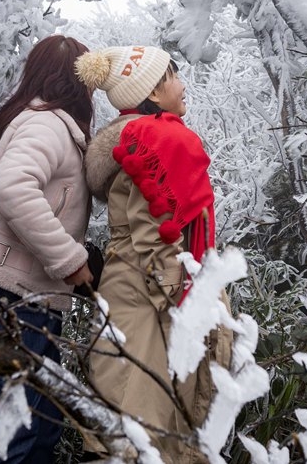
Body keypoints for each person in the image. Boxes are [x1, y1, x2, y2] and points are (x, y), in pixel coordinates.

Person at [75, 45, 232, 463]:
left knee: (125, 411)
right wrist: (182, 303)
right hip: (150, 300)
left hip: (129, 290)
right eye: (173, 77)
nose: (183, 86)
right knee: (142, 422)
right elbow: (155, 233)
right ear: (153, 93)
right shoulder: (154, 141)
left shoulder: (136, 142)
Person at [0, 35, 96, 464]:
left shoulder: (39, 121)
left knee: (38, 432)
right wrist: (70, 260)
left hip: (22, 295)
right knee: (8, 440)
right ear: (77, 82)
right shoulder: (47, 124)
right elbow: (15, 188)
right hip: (12, 298)